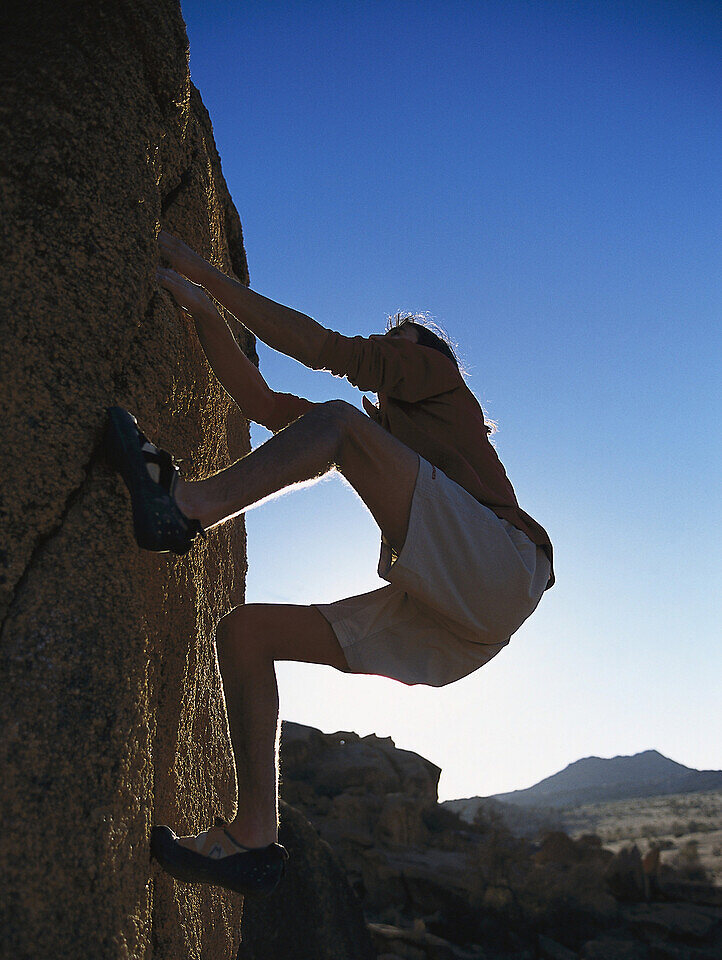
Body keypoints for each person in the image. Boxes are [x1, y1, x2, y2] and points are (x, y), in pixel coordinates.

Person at [106, 231, 554, 896]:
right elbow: (264, 407)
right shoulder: (390, 443)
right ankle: (256, 834)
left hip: (504, 567)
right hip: (464, 624)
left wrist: (209, 275)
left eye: (401, 338)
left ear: (425, 355)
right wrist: (203, 311)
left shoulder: (439, 377)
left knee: (340, 423)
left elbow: (326, 353)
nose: (392, 345)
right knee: (245, 633)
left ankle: (187, 508)